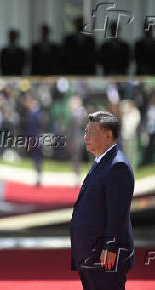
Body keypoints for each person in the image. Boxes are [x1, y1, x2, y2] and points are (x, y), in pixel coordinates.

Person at [70, 111, 135, 290]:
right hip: (91, 254)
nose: (85, 137)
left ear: (107, 136)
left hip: (105, 256)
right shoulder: (102, 161)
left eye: (91, 133)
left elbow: (118, 213)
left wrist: (111, 247)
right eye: (85, 132)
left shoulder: (117, 166)